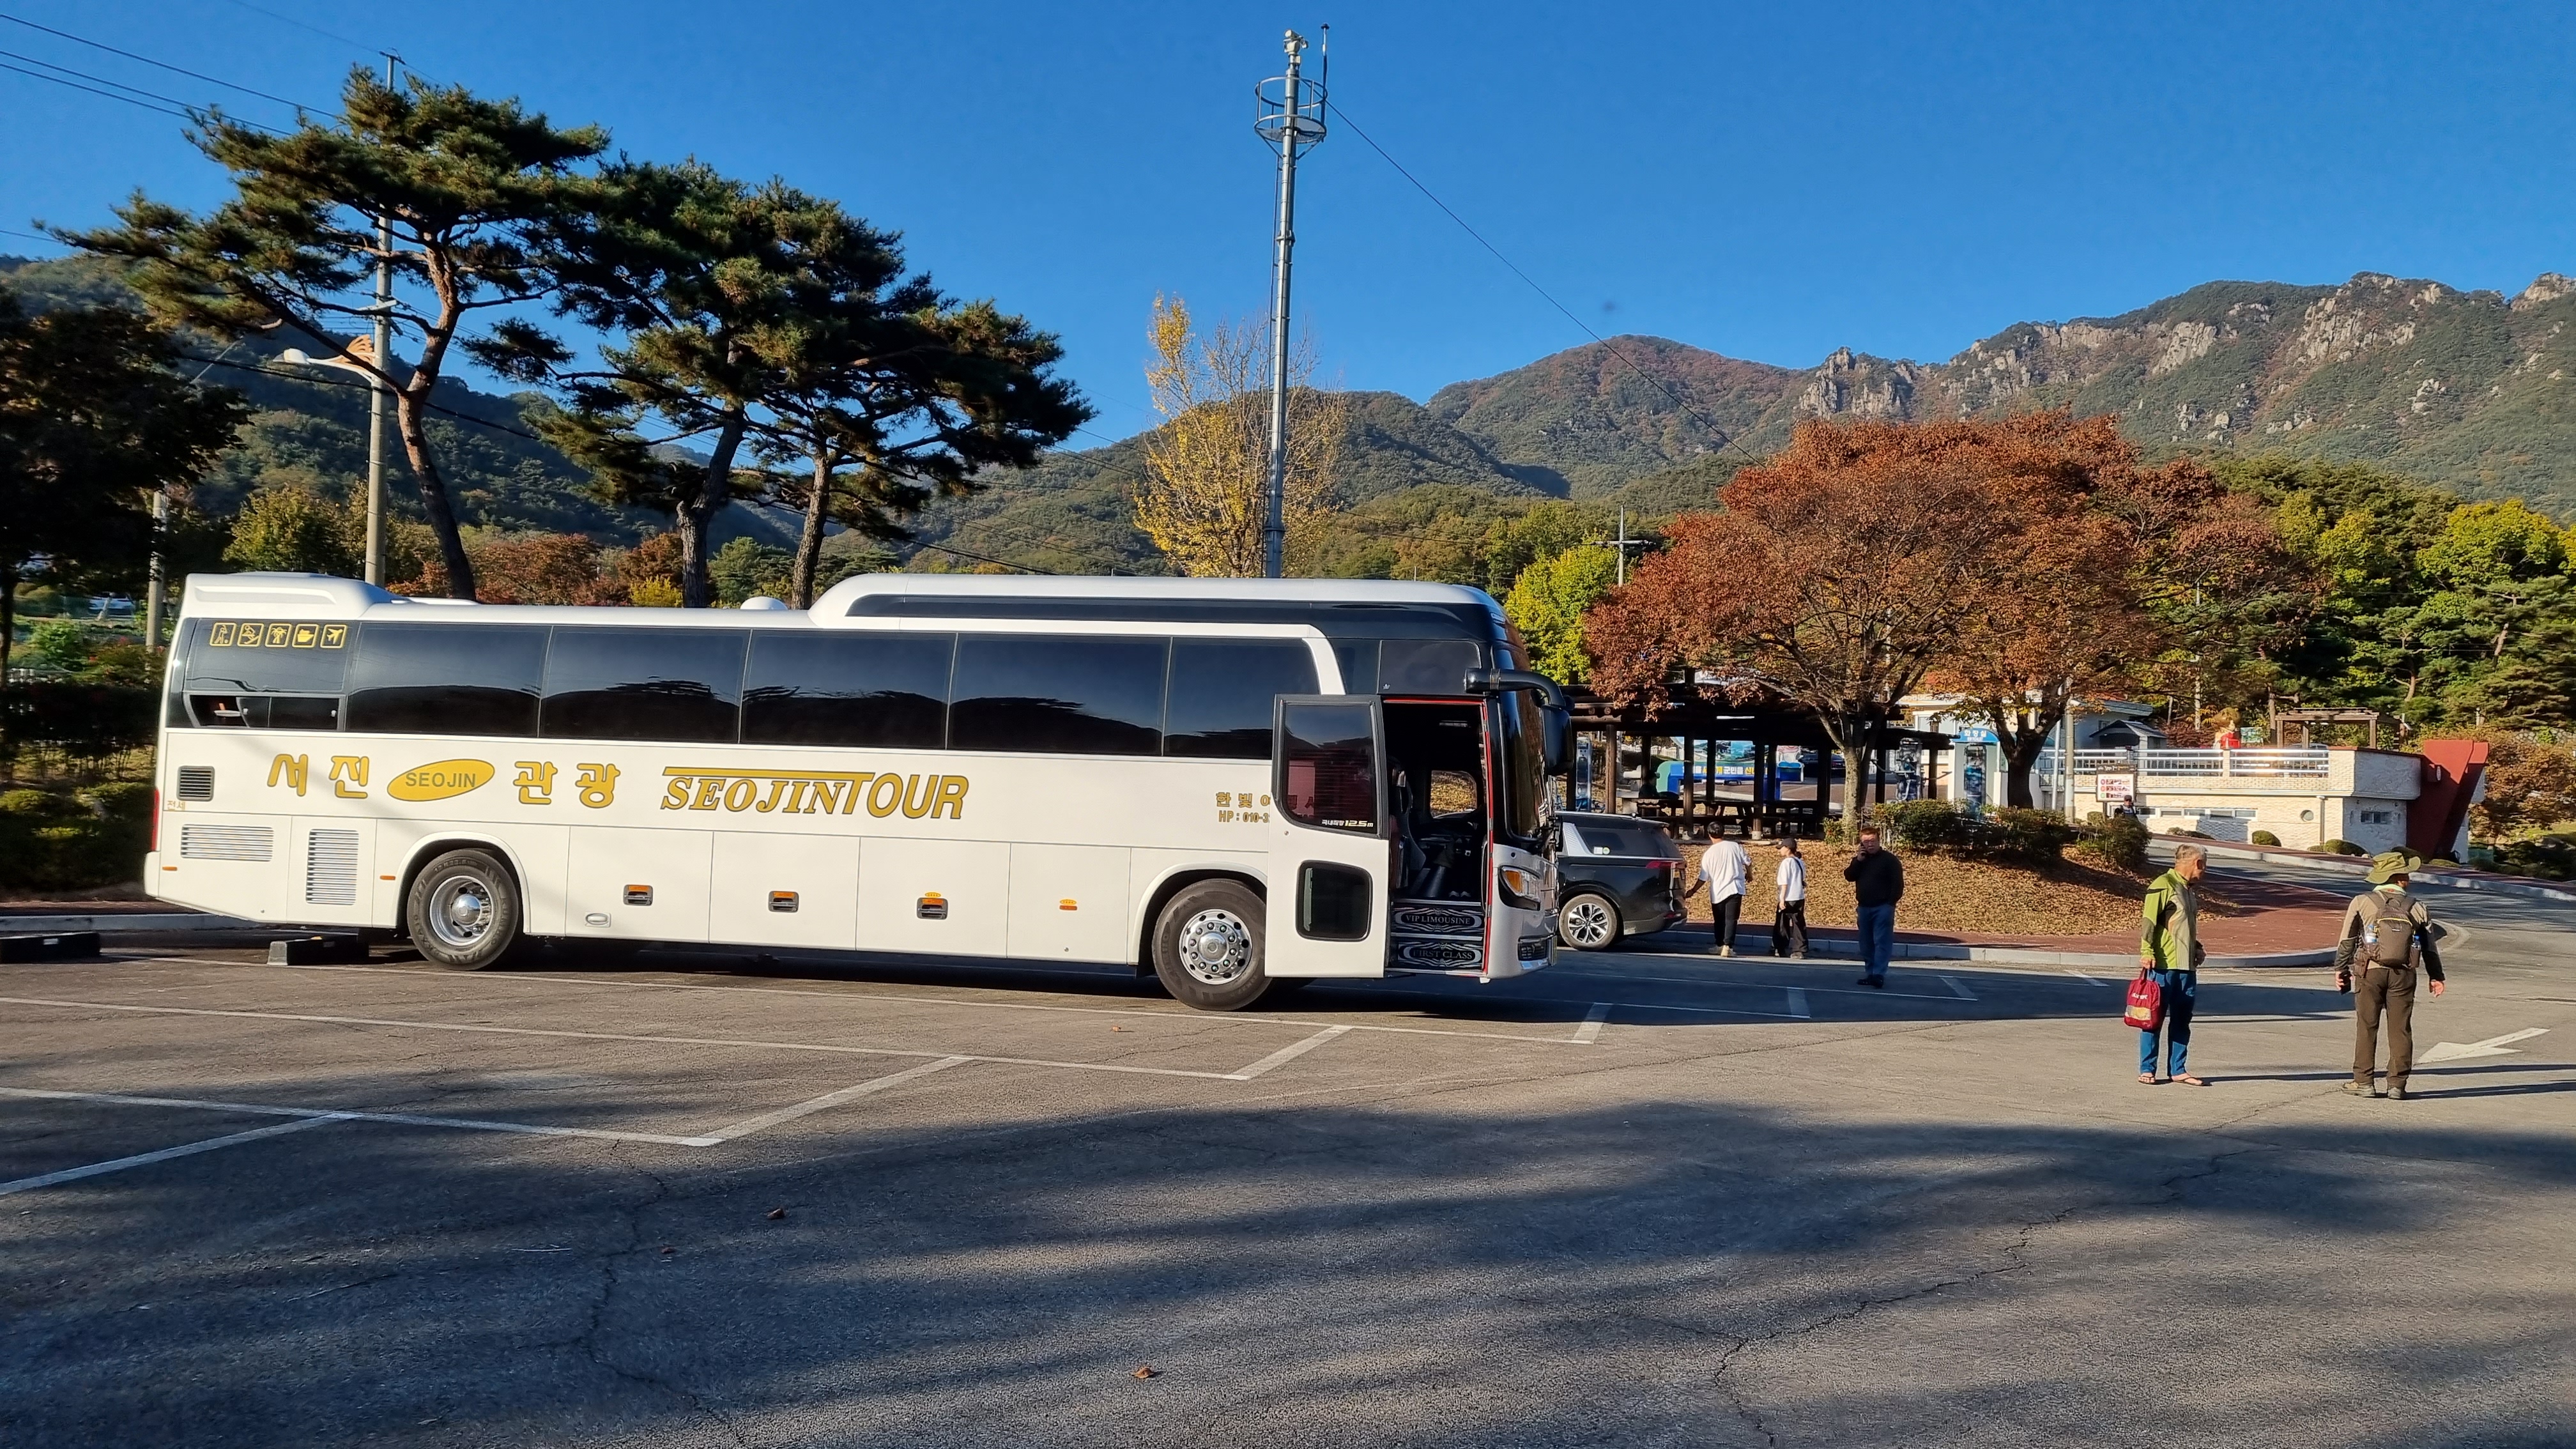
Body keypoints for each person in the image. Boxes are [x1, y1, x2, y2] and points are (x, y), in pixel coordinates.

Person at [2336, 852, 2446, 1100]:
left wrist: (2341, 969)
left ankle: (2363, 1082)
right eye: (2406, 874)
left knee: (2367, 1026)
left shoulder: (2362, 902)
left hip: (2369, 971)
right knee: (2401, 1029)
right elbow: (2429, 947)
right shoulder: (2418, 907)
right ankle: (2397, 1085)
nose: (2409, 878)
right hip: (2404, 974)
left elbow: (2347, 940)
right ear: (2399, 879)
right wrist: (2436, 976)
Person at [2138, 844, 2209, 1085]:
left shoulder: (2188, 890)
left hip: (2186, 969)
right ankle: (2148, 1069)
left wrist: (2197, 947)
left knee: (2182, 1021)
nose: (2204, 872)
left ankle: (2178, 1070)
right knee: (2153, 1019)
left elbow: (2183, 926)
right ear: (2198, 863)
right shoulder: (2163, 884)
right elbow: (2149, 921)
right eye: (2204, 866)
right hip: (2163, 966)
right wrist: (2146, 951)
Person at [1844, 825, 1903, 987]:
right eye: (1866, 842)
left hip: (1883, 907)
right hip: (1864, 907)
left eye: (1873, 841)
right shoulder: (1860, 860)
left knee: (1881, 942)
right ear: (1861, 843)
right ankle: (1870, 973)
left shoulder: (1890, 860)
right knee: (1866, 944)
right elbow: (1849, 876)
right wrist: (1859, 861)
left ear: (1879, 841)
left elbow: (1898, 884)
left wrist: (1891, 903)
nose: (1870, 844)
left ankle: (1879, 974)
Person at [1687, 832, 1751, 956]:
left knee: (1719, 920)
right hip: (1735, 887)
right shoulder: (1735, 846)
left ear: (1710, 835)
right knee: (1731, 919)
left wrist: (1693, 891)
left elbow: (1703, 877)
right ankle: (1728, 946)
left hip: (1718, 891)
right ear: (1722, 833)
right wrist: (1749, 874)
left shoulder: (1709, 853)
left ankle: (1719, 945)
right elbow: (1748, 862)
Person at [1771, 838, 1809, 958]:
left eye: (1782, 848)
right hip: (1799, 897)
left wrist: (1782, 899)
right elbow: (1802, 878)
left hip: (1788, 897)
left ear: (1788, 848)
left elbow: (1784, 883)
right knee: (1799, 924)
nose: (1780, 850)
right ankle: (1800, 949)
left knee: (1782, 924)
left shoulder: (1786, 863)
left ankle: (1780, 947)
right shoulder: (1799, 862)